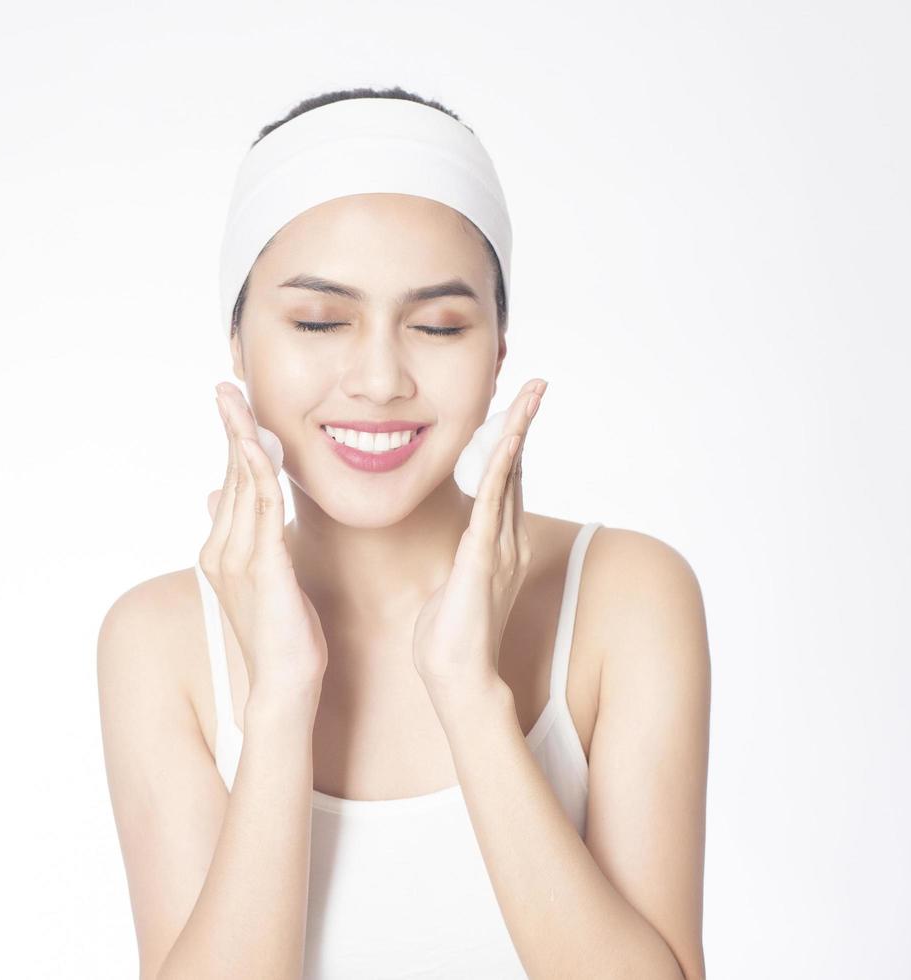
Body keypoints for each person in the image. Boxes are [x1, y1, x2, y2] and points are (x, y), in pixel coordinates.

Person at [98, 87, 709, 980]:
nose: (380, 379)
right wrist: (279, 703)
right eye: (317, 321)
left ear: (499, 348)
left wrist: (470, 694)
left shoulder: (626, 595)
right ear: (239, 345)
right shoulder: (158, 644)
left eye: (437, 325)